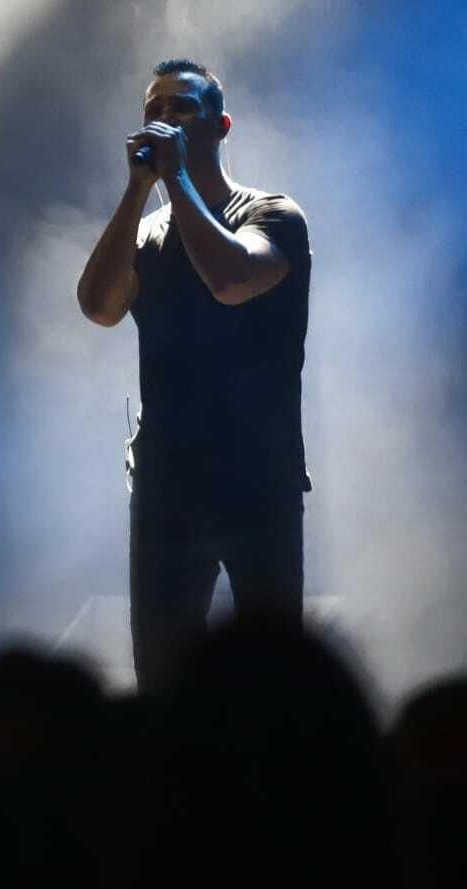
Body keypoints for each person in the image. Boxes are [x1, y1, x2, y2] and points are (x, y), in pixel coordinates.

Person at [76, 59, 312, 690]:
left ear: (221, 125)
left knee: (273, 673)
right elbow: (98, 307)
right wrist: (137, 190)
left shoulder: (272, 215)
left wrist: (175, 177)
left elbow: (232, 280)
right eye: (154, 108)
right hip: (167, 484)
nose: (163, 118)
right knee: (162, 672)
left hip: (257, 476)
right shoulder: (147, 231)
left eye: (181, 107)